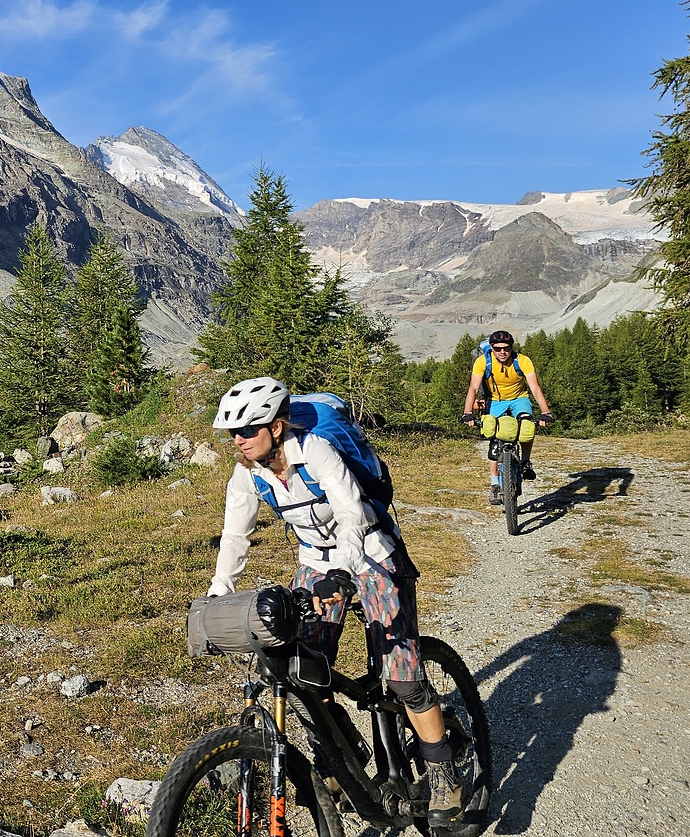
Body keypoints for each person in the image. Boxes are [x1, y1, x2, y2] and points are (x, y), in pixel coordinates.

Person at [207, 376, 465, 829]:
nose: (239, 440)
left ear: (279, 426)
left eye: (248, 430)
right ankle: (344, 755)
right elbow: (234, 536)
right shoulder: (247, 475)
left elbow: (349, 512)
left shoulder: (317, 451)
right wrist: (218, 591)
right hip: (315, 563)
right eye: (234, 433)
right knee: (304, 669)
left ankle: (444, 774)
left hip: (371, 554)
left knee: (402, 676)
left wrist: (347, 570)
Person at [461, 329, 553, 505]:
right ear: (492, 349)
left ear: (511, 348)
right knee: (494, 441)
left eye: (506, 348)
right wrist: (468, 413)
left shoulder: (522, 361)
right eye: (498, 349)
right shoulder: (483, 362)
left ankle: (525, 462)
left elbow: (534, 387)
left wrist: (545, 411)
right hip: (495, 401)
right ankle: (495, 484)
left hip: (519, 398)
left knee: (526, 425)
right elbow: (473, 388)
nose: (502, 352)